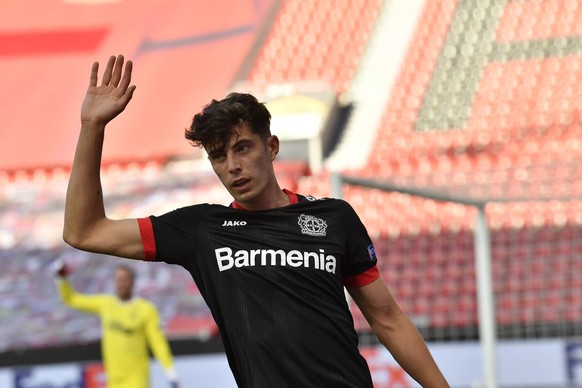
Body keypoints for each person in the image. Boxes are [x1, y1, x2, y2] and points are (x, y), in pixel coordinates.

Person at [63, 54, 449, 387]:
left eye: (243, 147)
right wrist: (92, 127)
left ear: (272, 146)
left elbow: (388, 318)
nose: (232, 166)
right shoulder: (201, 230)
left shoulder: (333, 218)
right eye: (218, 156)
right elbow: (84, 231)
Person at [54, 261, 180, 388]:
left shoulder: (146, 309)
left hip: (137, 381)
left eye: (125, 279)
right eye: (118, 279)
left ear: (133, 282)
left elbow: (157, 342)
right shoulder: (106, 304)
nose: (122, 283)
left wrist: (170, 371)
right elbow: (71, 299)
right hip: (114, 381)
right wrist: (62, 279)